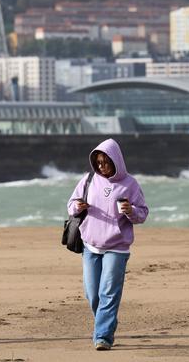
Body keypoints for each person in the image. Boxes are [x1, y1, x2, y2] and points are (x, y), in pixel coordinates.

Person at [67, 138, 149, 351]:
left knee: (109, 292)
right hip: (90, 245)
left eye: (105, 162)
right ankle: (108, 321)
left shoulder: (130, 184)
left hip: (117, 247)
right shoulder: (88, 179)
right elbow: (71, 205)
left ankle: (103, 336)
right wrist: (77, 207)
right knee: (92, 293)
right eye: (98, 162)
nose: (101, 166)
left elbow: (143, 213)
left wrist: (132, 212)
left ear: (116, 161)